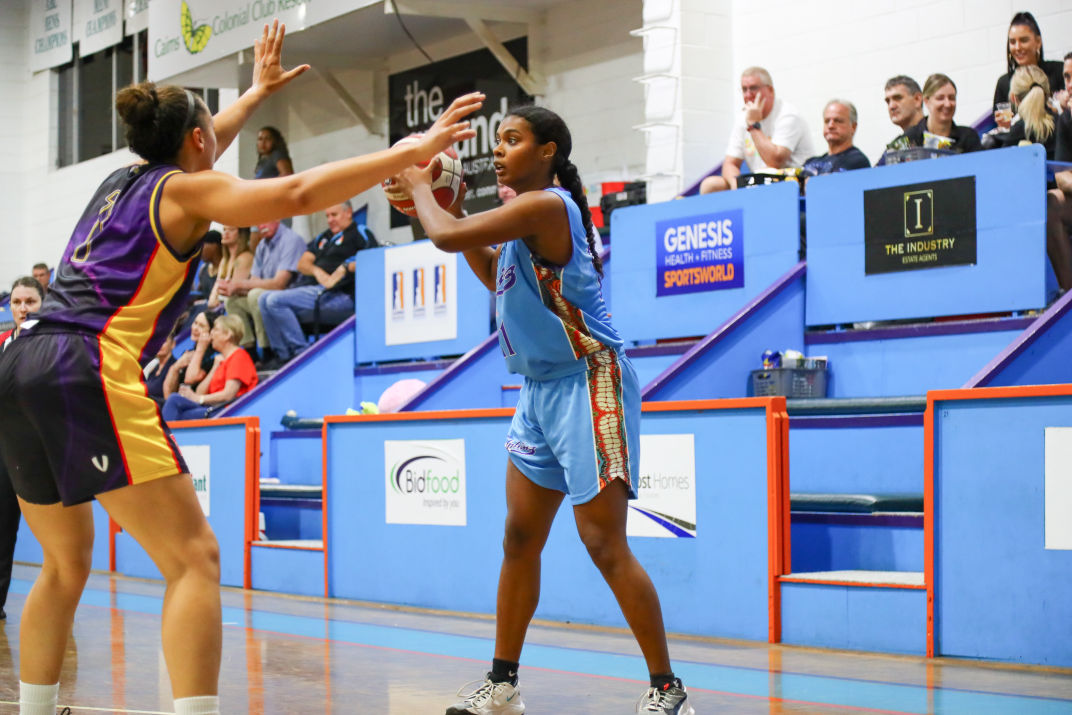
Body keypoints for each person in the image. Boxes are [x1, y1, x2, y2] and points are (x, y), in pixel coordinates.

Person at [0, 17, 482, 715]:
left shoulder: (121, 179)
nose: (218, 143)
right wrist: (405, 151)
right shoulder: (188, 191)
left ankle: (34, 709)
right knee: (194, 558)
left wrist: (254, 93)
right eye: (212, 135)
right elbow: (292, 196)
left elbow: (204, 139)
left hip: (20, 360)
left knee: (63, 561)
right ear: (197, 143)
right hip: (84, 362)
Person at [391, 105, 693, 715]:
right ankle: (502, 683)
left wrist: (424, 189)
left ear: (549, 151)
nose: (498, 150)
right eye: (497, 140)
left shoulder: (549, 206)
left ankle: (668, 690)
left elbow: (449, 236)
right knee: (519, 537)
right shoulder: (514, 229)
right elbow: (474, 260)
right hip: (538, 390)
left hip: (589, 380)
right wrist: (433, 208)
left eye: (512, 139)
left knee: (603, 543)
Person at [259, 201, 368, 367]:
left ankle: (300, 353)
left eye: (334, 215)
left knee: (274, 300)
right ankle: (282, 355)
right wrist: (319, 272)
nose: (330, 220)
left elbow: (370, 258)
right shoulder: (324, 237)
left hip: (340, 294)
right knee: (263, 299)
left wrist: (344, 268)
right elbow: (302, 264)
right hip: (314, 288)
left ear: (349, 213)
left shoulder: (360, 232)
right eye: (327, 216)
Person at [0, 277, 45, 623]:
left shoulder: (54, 343)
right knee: (2, 527)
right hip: (5, 450)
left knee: (55, 535)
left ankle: (58, 603)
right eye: (17, 302)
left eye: (30, 301)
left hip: (44, 450)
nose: (23, 308)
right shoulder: (2, 343)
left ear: (43, 304)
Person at [700, 66, 813, 193]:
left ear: (770, 90)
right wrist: (737, 185)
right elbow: (730, 163)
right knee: (711, 185)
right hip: (758, 183)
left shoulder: (788, 115)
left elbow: (775, 162)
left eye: (753, 88)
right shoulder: (743, 118)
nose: (748, 95)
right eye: (744, 90)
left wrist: (753, 125)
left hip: (789, 183)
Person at [216, 217, 305, 362]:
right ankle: (251, 353)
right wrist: (233, 288)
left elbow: (279, 284)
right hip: (266, 295)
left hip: (289, 295)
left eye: (265, 221)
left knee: (256, 295)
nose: (261, 226)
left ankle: (268, 350)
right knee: (232, 300)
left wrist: (238, 285)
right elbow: (253, 281)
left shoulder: (291, 240)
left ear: (277, 219)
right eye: (259, 222)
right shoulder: (263, 245)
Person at [161, 315, 258, 421]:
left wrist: (199, 399)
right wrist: (215, 367)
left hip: (229, 410)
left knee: (176, 405)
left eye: (216, 330)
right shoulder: (221, 360)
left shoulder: (239, 357)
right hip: (214, 408)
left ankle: (161, 436)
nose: (211, 334)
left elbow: (228, 394)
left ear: (228, 335)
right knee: (176, 403)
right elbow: (200, 392)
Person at [993, 12, 1064, 131]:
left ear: (1038, 42)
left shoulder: (1059, 71)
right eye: (1012, 42)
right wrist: (1004, 127)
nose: (1017, 47)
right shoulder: (1003, 83)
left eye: (1023, 40)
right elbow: (1003, 129)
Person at [896, 74, 981, 154]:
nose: (947, 104)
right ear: (926, 101)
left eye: (951, 98)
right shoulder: (908, 138)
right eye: (940, 98)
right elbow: (885, 166)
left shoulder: (968, 137)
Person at [802, 99, 871, 178]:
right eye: (827, 121)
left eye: (838, 121)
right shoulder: (811, 162)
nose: (831, 126)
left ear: (853, 127)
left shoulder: (858, 161)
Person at [1000, 65, 1058, 158]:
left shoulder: (1017, 131)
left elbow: (1002, 165)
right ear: (1047, 93)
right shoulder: (1062, 122)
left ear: (1013, 98)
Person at [163, 309, 218, 400]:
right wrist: (176, 367)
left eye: (201, 326)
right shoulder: (188, 354)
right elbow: (167, 395)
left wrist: (200, 348)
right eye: (195, 323)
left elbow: (190, 379)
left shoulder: (213, 356)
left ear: (210, 333)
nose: (195, 328)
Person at [207, 225, 253, 311]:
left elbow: (233, 291)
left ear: (241, 235)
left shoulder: (245, 257)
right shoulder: (225, 259)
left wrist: (215, 301)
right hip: (221, 303)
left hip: (234, 304)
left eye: (231, 230)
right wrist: (212, 299)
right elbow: (217, 285)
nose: (225, 233)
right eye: (224, 230)